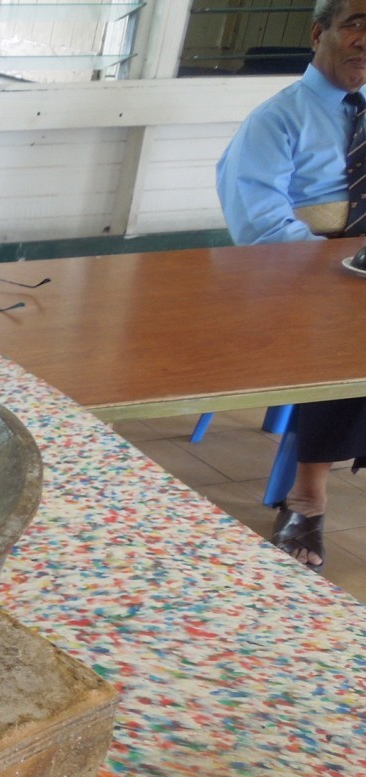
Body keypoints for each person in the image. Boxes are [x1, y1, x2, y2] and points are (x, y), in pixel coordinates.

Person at [214, 0, 366, 572]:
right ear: (318, 33)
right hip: (297, 275)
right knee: (348, 334)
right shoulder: (276, 119)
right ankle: (306, 497)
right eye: (355, 24)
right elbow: (259, 223)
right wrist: (335, 267)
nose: (365, 40)